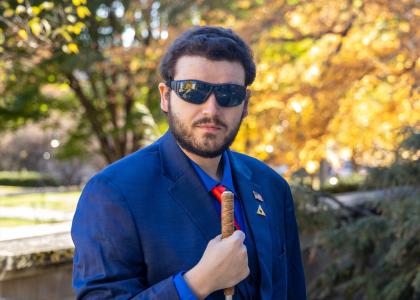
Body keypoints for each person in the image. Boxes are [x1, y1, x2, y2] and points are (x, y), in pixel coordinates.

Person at [71, 26, 307, 300]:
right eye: (193, 91)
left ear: (245, 104)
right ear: (165, 97)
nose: (211, 109)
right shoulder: (112, 193)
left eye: (228, 94)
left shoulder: (271, 186)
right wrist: (196, 284)